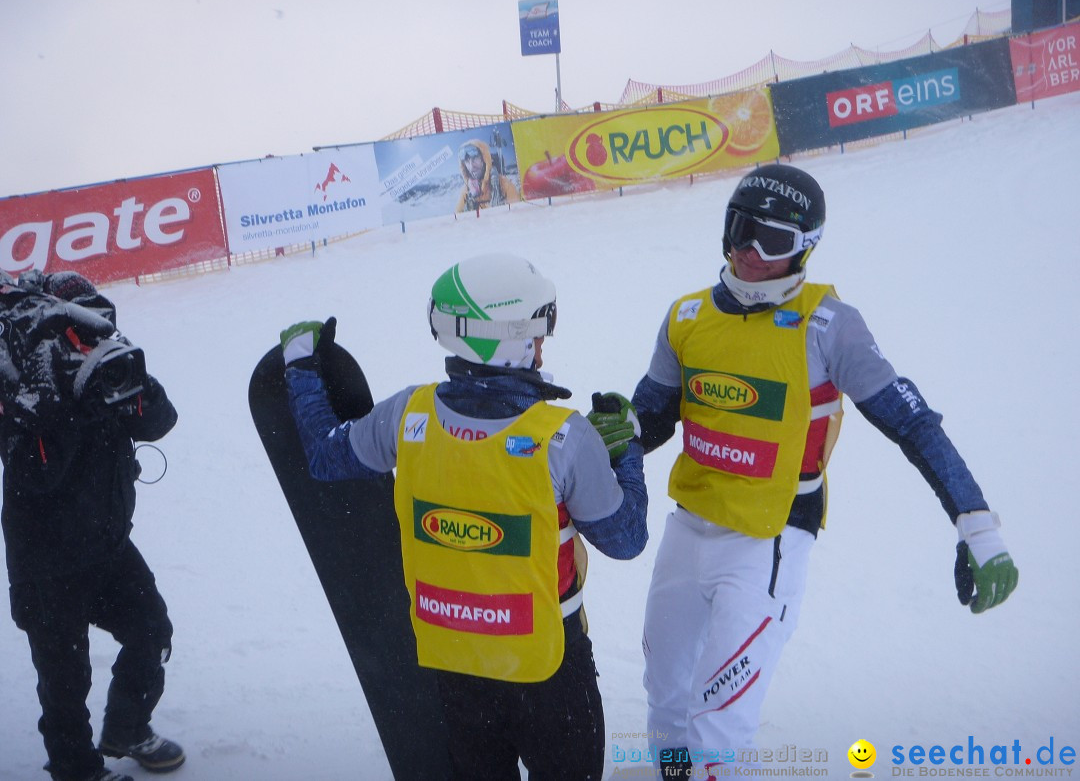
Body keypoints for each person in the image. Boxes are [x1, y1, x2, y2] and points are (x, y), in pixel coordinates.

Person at [622, 164, 1019, 779]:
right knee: (666, 698)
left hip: (769, 537)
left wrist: (976, 523)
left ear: (805, 247)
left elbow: (912, 423)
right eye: (740, 229)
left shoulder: (828, 324)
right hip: (689, 525)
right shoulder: (688, 316)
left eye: (772, 240)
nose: (749, 252)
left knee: (718, 720)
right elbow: (651, 417)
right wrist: (611, 433)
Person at [280, 252, 648, 779]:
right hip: (547, 666)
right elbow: (626, 536)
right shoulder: (562, 437)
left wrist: (301, 370)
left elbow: (325, 453)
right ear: (506, 336)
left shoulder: (409, 415)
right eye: (539, 327)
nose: (544, 343)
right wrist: (626, 449)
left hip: (456, 665)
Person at [0, 271, 185, 781]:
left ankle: (127, 727)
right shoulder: (25, 388)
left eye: (100, 326)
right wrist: (65, 400)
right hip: (47, 564)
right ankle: (76, 770)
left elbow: (160, 420)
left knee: (151, 632)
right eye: (84, 332)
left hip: (107, 545)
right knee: (64, 684)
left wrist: (126, 381)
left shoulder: (108, 365)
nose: (94, 339)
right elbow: (35, 474)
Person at [455, 137, 521, 213]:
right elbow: (457, 216)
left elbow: (517, 213)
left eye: (475, 158)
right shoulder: (467, 191)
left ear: (485, 159)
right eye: (467, 161)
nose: (471, 166)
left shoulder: (504, 184)